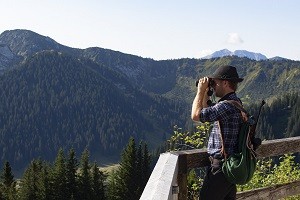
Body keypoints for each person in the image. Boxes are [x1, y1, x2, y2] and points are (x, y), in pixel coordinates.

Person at [191, 65, 244, 200]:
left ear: (225, 83)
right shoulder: (235, 102)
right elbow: (209, 110)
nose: (214, 86)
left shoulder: (225, 106)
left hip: (220, 168)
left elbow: (196, 115)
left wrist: (200, 91)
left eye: (216, 83)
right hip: (229, 167)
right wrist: (206, 93)